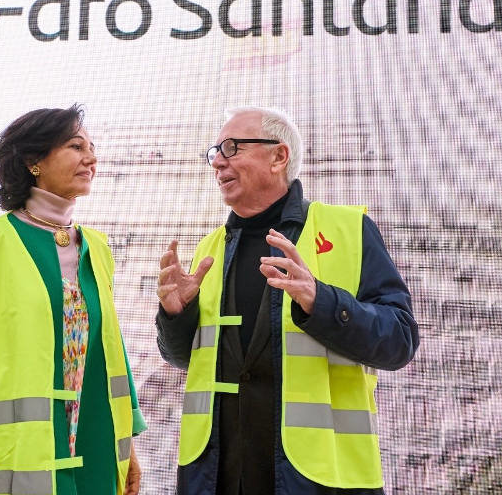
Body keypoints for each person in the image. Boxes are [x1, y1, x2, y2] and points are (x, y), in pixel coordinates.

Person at [156, 106, 419, 494]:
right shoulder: (210, 248)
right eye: (214, 152)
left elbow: (399, 342)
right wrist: (175, 316)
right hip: (216, 476)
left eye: (231, 148)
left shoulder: (347, 230)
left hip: (319, 477)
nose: (218, 163)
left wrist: (321, 301)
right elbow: (187, 360)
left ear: (279, 156)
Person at [0, 105, 145, 495]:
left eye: (92, 147)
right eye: (76, 146)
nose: (91, 158)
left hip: (95, 453)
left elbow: (110, 350)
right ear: (33, 161)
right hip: (8, 465)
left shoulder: (97, 248)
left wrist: (128, 444)